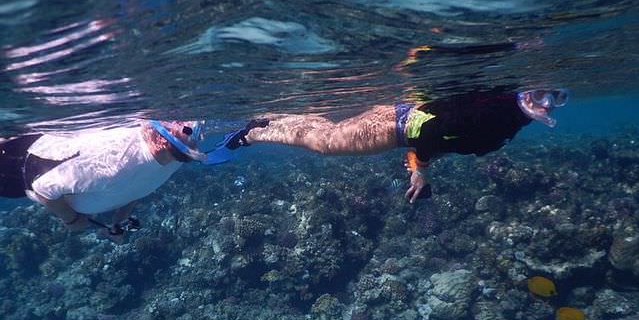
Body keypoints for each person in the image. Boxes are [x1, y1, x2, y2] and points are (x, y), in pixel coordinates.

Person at [207, 89, 569, 203]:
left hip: (399, 123)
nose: (547, 104)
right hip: (394, 128)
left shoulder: (509, 119)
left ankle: (268, 119)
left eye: (557, 98)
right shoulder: (498, 113)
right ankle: (249, 135)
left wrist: (418, 166)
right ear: (526, 90)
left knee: (327, 133)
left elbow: (443, 139)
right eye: (540, 94)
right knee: (325, 143)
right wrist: (422, 169)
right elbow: (434, 131)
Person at [0, 120, 206, 240]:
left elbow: (141, 186)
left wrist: (122, 220)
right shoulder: (127, 161)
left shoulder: (172, 162)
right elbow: (43, 189)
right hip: (22, 172)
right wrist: (73, 220)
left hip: (46, 144)